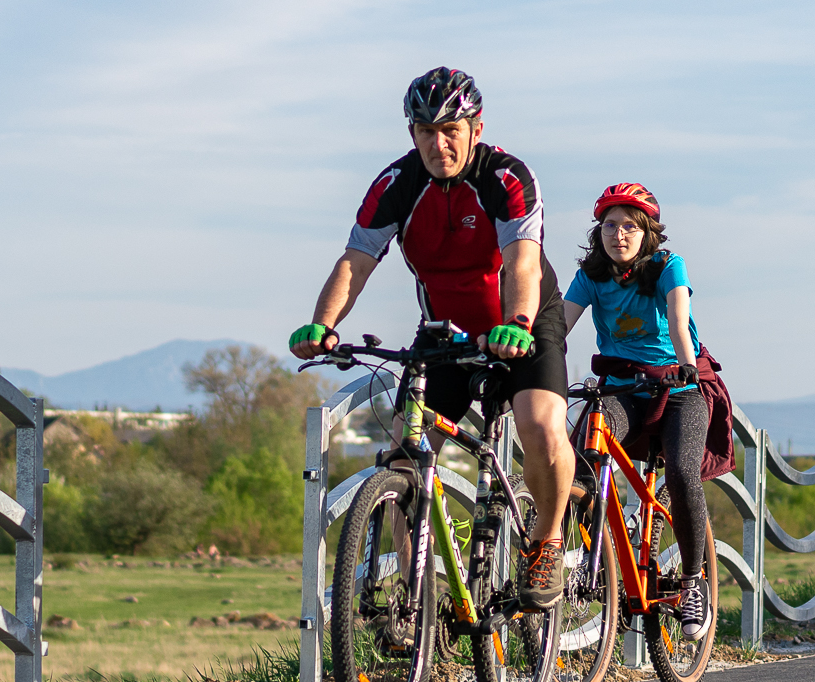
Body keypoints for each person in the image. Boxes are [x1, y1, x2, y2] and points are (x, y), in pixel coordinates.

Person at [289, 68, 573, 608]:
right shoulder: (396, 186)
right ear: (412, 133)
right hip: (447, 330)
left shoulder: (507, 177)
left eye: (451, 130)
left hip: (525, 318)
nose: (438, 144)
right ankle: (414, 593)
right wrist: (323, 325)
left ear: (476, 127)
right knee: (402, 454)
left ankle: (547, 541)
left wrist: (515, 322)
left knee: (539, 424)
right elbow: (355, 261)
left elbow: (524, 263)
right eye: (425, 131)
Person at [560, 183, 734, 641]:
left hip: (680, 387)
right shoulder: (591, 276)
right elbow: (557, 326)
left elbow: (679, 321)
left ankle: (693, 582)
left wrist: (683, 364)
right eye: (610, 225)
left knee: (680, 472)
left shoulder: (667, 267)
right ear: (599, 231)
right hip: (622, 391)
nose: (619, 234)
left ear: (647, 232)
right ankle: (583, 557)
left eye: (630, 226)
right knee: (581, 455)